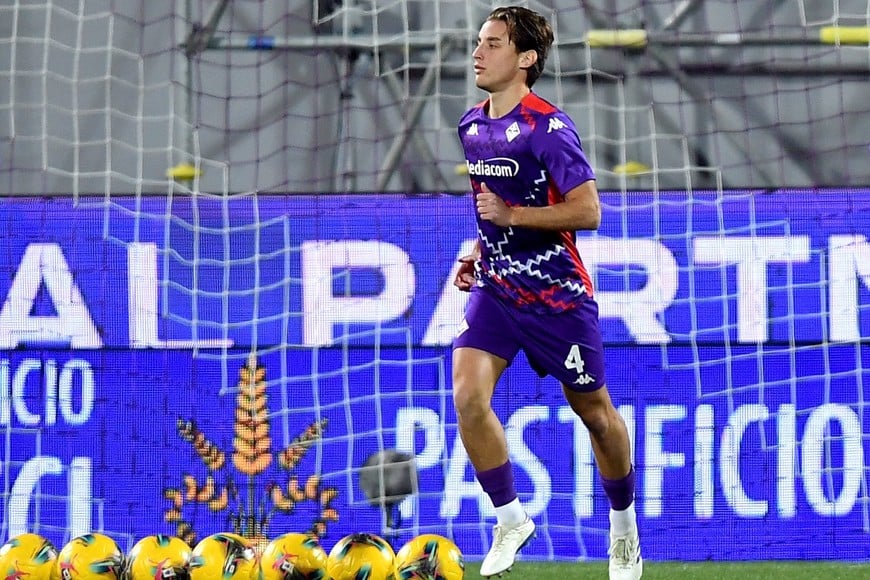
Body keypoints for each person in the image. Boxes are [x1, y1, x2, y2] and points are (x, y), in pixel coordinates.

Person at [453, 6, 642, 580]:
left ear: (526, 58)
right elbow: (493, 215)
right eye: (478, 42)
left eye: (492, 44)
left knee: (596, 416)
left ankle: (624, 530)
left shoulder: (548, 127)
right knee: (467, 394)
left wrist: (513, 213)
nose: (478, 53)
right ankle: (510, 518)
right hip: (498, 289)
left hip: (558, 297)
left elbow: (588, 210)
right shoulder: (471, 126)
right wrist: (481, 252)